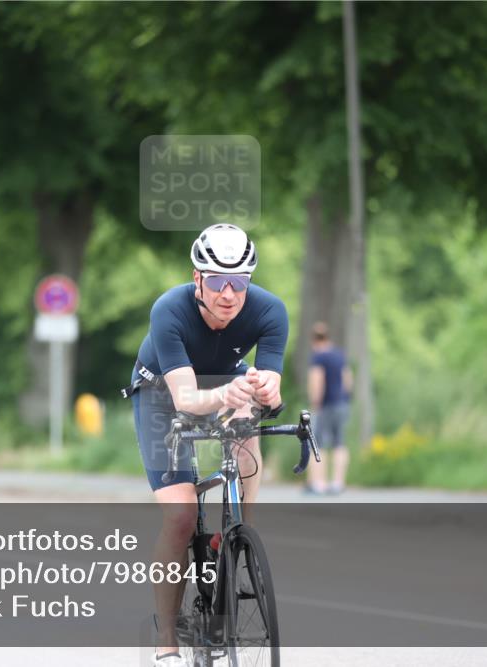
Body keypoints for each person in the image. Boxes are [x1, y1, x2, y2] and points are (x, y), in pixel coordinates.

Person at [123, 223, 288, 667]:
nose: (229, 293)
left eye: (240, 282)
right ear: (197, 278)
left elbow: (269, 382)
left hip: (224, 380)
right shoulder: (169, 310)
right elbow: (187, 400)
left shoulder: (270, 311)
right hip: (163, 391)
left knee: (248, 414)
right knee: (179, 518)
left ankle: (239, 530)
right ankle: (167, 644)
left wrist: (265, 393)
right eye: (217, 281)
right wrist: (226, 395)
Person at [305, 322, 353, 495]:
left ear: (314, 340)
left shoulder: (318, 356)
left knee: (318, 443)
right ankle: (338, 483)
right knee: (339, 443)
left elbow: (317, 380)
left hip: (325, 405)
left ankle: (319, 483)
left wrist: (315, 402)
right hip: (342, 403)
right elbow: (348, 379)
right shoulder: (339, 354)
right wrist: (346, 398)